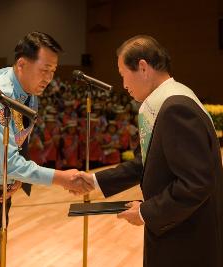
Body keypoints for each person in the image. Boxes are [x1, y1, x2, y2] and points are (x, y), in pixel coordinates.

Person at [0, 31, 91, 267]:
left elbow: (19, 140)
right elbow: (9, 161)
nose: (49, 78)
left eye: (53, 71)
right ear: (21, 64)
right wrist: (61, 178)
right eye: (44, 70)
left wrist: (16, 179)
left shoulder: (27, 92)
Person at [76, 35, 223, 267]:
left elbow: (196, 183)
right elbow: (146, 162)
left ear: (143, 67)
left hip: (187, 239)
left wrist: (147, 212)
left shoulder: (175, 108)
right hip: (177, 228)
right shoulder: (167, 101)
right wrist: (94, 180)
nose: (123, 84)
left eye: (123, 74)